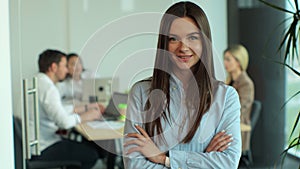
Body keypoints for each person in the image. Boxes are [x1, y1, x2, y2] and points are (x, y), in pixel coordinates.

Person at [123, 1, 242, 169]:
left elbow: (228, 163)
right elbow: (134, 165)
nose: (183, 47)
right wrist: (204, 159)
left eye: (193, 37)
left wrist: (164, 159)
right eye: (173, 39)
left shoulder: (226, 96)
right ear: (164, 43)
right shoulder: (141, 93)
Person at [31, 49, 102, 169]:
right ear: (54, 67)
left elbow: (57, 109)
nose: (67, 69)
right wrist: (85, 116)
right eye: (64, 66)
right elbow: (64, 123)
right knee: (92, 155)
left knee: (87, 147)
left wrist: (85, 108)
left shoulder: (35, 81)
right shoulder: (49, 89)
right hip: (44, 147)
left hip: (35, 145)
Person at [223, 44, 255, 152]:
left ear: (238, 61)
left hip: (237, 127)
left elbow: (240, 110)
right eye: (224, 59)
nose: (224, 63)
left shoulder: (246, 84)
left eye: (228, 59)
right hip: (226, 123)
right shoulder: (227, 81)